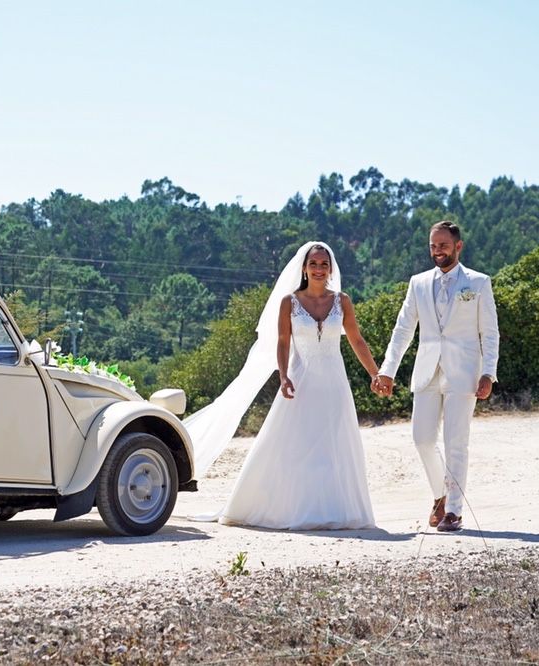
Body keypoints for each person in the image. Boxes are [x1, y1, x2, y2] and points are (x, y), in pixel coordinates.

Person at [186, 241, 377, 529]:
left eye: (324, 264)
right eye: (313, 264)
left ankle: (335, 510)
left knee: (335, 445)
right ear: (304, 267)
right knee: (295, 444)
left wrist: (375, 373)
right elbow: (283, 341)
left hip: (334, 383)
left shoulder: (343, 301)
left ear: (331, 268)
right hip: (301, 380)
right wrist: (283, 375)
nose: (318, 269)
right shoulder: (290, 301)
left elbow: (357, 340)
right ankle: (289, 508)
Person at [373, 221, 499, 533]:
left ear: (458, 246)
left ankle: (454, 511)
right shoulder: (418, 283)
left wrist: (488, 373)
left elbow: (490, 333)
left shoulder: (478, 283)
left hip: (465, 373)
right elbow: (403, 330)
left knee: (456, 442)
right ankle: (440, 495)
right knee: (422, 438)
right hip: (427, 369)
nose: (437, 251)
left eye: (443, 245)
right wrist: (387, 370)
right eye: (433, 245)